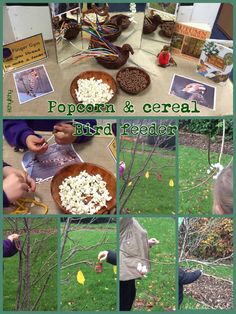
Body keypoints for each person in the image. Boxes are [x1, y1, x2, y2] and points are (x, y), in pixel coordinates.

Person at [119, 218, 158, 311]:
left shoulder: (129, 221)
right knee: (124, 303)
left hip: (129, 271)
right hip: (125, 271)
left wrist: (146, 243)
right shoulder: (124, 220)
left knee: (130, 296)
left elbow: (129, 239)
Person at [3, 119, 97, 154]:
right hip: (27, 143)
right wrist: (25, 136)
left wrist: (77, 132)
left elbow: (91, 125)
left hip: (78, 148)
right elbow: (9, 122)